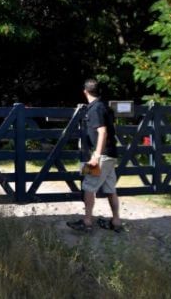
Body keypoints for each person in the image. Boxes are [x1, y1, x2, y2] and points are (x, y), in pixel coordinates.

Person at [66, 78, 122, 233]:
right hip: (111, 153)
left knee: (88, 186)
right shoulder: (104, 106)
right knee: (111, 188)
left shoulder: (95, 109)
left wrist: (96, 155)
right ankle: (116, 222)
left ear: (85, 91)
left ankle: (87, 222)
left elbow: (102, 131)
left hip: (101, 154)